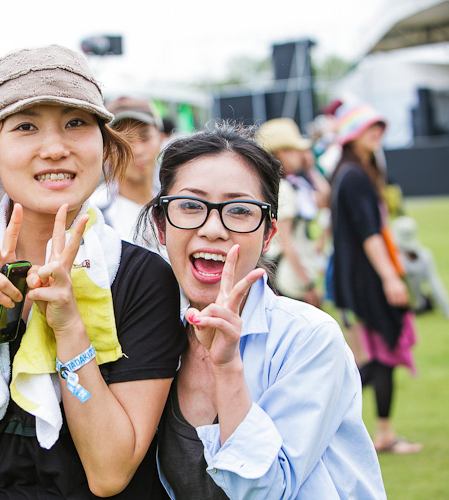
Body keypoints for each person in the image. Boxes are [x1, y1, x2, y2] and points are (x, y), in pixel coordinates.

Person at [0, 45, 186, 499]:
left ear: (104, 143)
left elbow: (109, 472)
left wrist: (69, 327)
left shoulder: (141, 277)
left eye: (76, 123)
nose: (56, 148)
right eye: (26, 127)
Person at [137, 123, 386, 498]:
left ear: (268, 234)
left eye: (239, 210)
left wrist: (227, 368)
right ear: (161, 224)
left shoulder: (308, 338)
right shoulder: (147, 334)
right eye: (190, 206)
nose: (213, 229)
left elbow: (268, 491)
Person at [329, 102, 422, 454]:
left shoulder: (353, 172)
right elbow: (369, 233)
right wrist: (390, 278)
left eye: (379, 127)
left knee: (375, 357)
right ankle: (381, 433)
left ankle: (376, 430)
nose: (377, 133)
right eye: (370, 127)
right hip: (368, 278)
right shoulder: (354, 176)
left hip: (361, 276)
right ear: (352, 135)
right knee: (382, 355)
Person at [256, 118, 326, 306]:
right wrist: (307, 283)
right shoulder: (284, 189)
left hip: (289, 273)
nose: (301, 155)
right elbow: (286, 241)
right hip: (289, 277)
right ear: (280, 154)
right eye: (294, 150)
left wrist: (311, 170)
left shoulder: (290, 184)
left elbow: (324, 199)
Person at [90, 96, 163, 248]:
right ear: (106, 148)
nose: (138, 150)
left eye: (145, 138)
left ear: (160, 139)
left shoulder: (177, 204)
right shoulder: (93, 215)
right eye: (125, 141)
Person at [391, 215, 449, 318]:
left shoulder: (424, 255)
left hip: (413, 304)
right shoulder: (394, 256)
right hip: (398, 303)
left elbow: (435, 285)